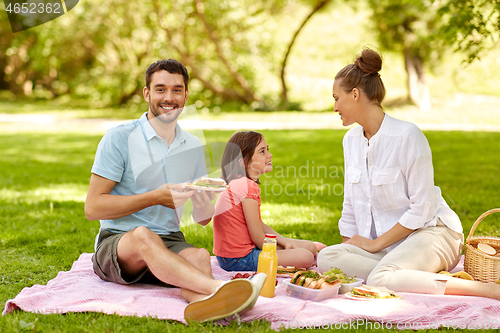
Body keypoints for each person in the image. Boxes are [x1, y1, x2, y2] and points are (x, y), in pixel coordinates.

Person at [84, 59, 266, 323]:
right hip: (120, 241)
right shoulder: (119, 138)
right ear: (147, 93)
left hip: (169, 239)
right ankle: (219, 289)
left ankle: (207, 308)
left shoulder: (191, 144)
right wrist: (153, 198)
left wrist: (205, 201)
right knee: (143, 235)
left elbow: (202, 217)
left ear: (186, 95)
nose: (169, 98)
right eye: (160, 89)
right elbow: (93, 208)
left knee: (201, 255)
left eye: (176, 90)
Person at [317, 48, 500, 300]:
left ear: (356, 95)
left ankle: (487, 290)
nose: (335, 106)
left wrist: (373, 245)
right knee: (328, 257)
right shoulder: (351, 140)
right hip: (391, 250)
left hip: (433, 234)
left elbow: (422, 209)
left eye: (337, 98)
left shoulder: (407, 136)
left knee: (382, 276)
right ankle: (409, 276)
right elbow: (350, 204)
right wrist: (349, 247)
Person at [213, 131, 324, 271]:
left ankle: (301, 250)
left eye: (268, 149)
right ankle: (301, 254)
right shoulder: (246, 186)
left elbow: (259, 225)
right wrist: (280, 250)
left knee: (309, 247)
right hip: (239, 259)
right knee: (306, 257)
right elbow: (257, 237)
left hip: (230, 257)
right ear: (245, 162)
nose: (269, 155)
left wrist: (286, 242)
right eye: (262, 151)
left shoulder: (239, 183)